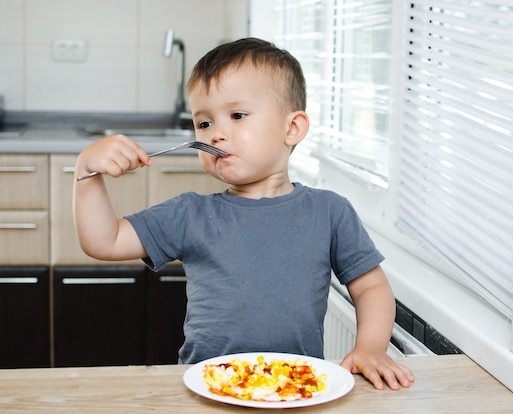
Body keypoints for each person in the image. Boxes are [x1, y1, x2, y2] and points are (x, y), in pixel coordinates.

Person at [73, 38, 414, 391]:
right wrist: (86, 172)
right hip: (204, 390)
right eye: (203, 123)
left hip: (293, 392)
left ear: (292, 128)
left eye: (237, 116)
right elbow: (104, 241)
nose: (216, 134)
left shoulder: (330, 211)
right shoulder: (190, 213)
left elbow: (371, 286)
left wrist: (370, 348)